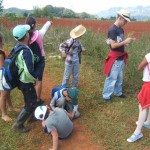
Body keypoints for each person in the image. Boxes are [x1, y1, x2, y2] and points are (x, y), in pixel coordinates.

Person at [8, 24, 38, 132]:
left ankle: (31, 116)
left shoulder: (17, 47)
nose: (28, 33)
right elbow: (28, 70)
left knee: (28, 99)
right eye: (27, 32)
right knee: (32, 102)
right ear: (26, 36)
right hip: (26, 81)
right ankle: (18, 124)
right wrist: (35, 78)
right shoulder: (26, 51)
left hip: (21, 80)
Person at [102, 9, 135, 102]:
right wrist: (125, 41)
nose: (126, 23)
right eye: (125, 21)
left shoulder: (121, 30)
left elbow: (119, 42)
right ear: (120, 18)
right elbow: (113, 45)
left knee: (119, 77)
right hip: (115, 58)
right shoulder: (112, 30)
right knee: (112, 77)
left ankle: (118, 92)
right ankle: (106, 96)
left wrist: (127, 43)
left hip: (120, 57)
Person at [26, 16, 52, 105]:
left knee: (30, 80)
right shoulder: (39, 34)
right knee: (39, 80)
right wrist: (49, 22)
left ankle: (30, 99)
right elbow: (45, 28)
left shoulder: (25, 36)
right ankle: (37, 99)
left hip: (30, 60)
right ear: (35, 25)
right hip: (40, 59)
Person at [127, 53, 150, 142]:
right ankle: (148, 122)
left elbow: (139, 67)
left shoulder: (149, 56)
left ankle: (137, 132)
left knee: (142, 106)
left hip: (148, 84)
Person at [0, 32, 19, 122]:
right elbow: (1, 66)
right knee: (3, 94)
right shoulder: (0, 53)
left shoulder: (1, 51)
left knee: (7, 92)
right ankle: (4, 114)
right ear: (1, 40)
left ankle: (10, 107)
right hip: (2, 76)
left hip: (2, 75)